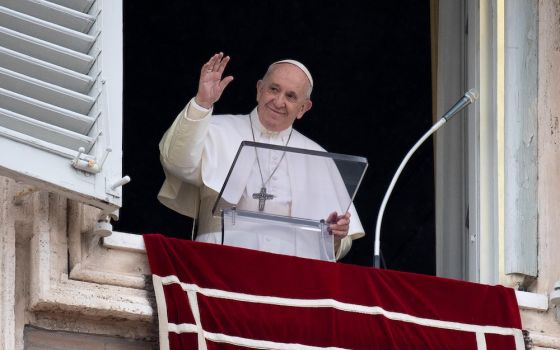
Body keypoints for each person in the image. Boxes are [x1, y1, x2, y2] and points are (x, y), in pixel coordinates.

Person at [157, 52, 365, 260]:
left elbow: (339, 245)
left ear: (303, 108)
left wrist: (336, 236)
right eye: (274, 89)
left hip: (290, 275)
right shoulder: (215, 129)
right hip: (218, 263)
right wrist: (202, 103)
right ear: (259, 90)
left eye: (291, 96)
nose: (279, 101)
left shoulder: (319, 158)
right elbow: (177, 163)